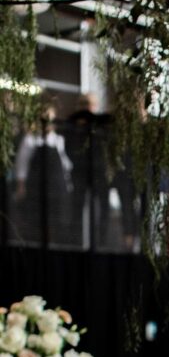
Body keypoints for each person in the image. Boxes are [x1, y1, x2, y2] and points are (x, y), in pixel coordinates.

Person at [14, 100, 72, 245]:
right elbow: (22, 164)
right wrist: (21, 186)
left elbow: (65, 164)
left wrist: (68, 183)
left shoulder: (59, 139)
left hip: (56, 188)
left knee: (55, 220)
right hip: (36, 187)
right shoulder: (30, 139)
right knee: (37, 219)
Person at [65, 93, 112, 248]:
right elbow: (69, 148)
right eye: (84, 103)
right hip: (80, 172)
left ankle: (102, 243)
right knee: (77, 207)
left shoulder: (102, 124)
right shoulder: (73, 124)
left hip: (99, 173)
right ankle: (75, 243)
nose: (87, 107)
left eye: (90, 104)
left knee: (102, 208)